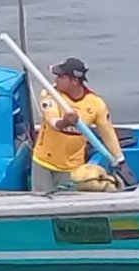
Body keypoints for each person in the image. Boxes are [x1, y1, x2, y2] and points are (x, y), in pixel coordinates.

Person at [30, 58, 125, 192]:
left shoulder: (96, 104)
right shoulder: (49, 94)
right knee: (42, 204)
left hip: (72, 167)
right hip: (44, 162)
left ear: (74, 81)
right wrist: (65, 122)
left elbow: (107, 133)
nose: (56, 80)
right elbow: (53, 121)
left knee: (67, 206)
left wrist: (119, 159)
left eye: (61, 77)